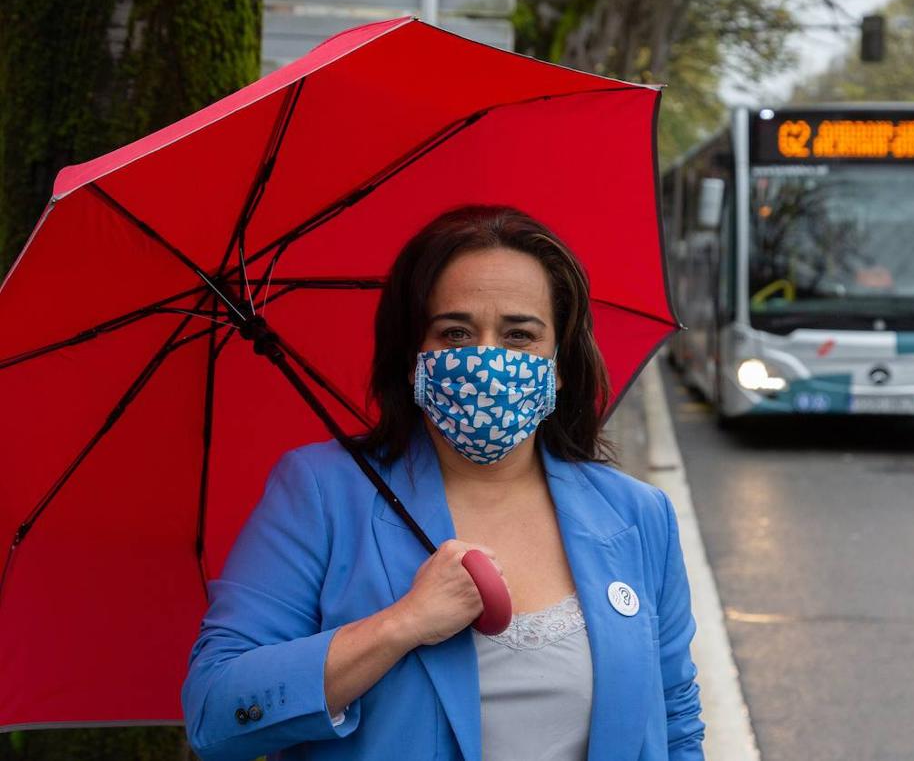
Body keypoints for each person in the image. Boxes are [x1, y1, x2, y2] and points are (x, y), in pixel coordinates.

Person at [181, 205, 704, 761]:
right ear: (413, 359)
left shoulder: (638, 515)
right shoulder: (321, 493)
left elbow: (675, 720)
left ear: (560, 363)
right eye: (455, 332)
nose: (486, 359)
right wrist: (400, 625)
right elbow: (217, 710)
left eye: (519, 335)